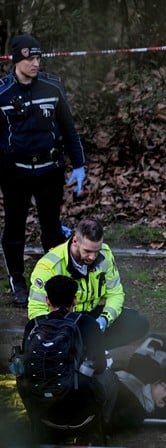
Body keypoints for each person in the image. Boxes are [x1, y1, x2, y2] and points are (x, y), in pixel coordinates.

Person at [1, 33, 86, 306]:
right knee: (14, 229)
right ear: (17, 60)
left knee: (51, 229)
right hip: (16, 172)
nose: (35, 63)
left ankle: (54, 282)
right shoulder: (2, 93)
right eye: (29, 59)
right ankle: (17, 281)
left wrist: (79, 164)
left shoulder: (52, 87)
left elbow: (69, 128)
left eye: (38, 58)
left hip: (50, 170)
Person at [27, 217, 150, 350]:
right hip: (62, 322)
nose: (92, 257)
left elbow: (115, 293)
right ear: (75, 241)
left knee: (138, 323)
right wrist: (62, 331)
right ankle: (78, 352)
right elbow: (36, 311)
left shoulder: (105, 254)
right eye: (88, 251)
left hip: (91, 317)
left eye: (96, 251)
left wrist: (105, 319)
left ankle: (91, 352)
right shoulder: (49, 266)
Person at [17, 274, 111, 435]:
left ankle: (37, 429)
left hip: (44, 415)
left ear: (47, 300)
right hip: (81, 416)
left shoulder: (33, 325)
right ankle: (101, 430)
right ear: (74, 300)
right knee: (111, 377)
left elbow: (22, 368)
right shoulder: (87, 323)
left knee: (21, 375)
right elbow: (100, 366)